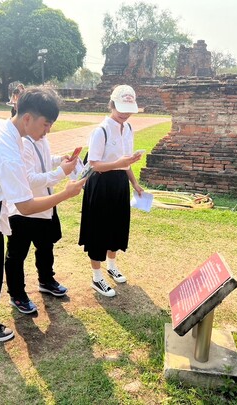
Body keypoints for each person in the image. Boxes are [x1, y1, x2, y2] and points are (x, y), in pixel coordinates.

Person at [0, 87, 86, 342]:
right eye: (45, 124)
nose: (48, 130)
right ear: (27, 118)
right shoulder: (7, 151)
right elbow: (25, 206)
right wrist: (65, 193)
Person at [78, 85, 143, 297]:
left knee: (117, 225)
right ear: (112, 105)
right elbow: (94, 164)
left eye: (128, 109)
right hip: (101, 184)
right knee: (98, 229)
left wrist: (134, 183)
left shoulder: (128, 128)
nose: (125, 113)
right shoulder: (101, 131)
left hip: (119, 183)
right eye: (121, 108)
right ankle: (96, 277)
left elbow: (126, 162)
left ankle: (112, 265)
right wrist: (118, 163)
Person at [4, 131, 78, 314]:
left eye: (50, 125)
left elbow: (42, 161)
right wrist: (61, 172)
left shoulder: (41, 138)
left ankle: (46, 280)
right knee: (16, 255)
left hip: (44, 207)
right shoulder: (23, 143)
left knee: (46, 247)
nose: (48, 130)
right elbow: (29, 179)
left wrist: (58, 160)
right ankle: (17, 294)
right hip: (22, 211)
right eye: (45, 124)